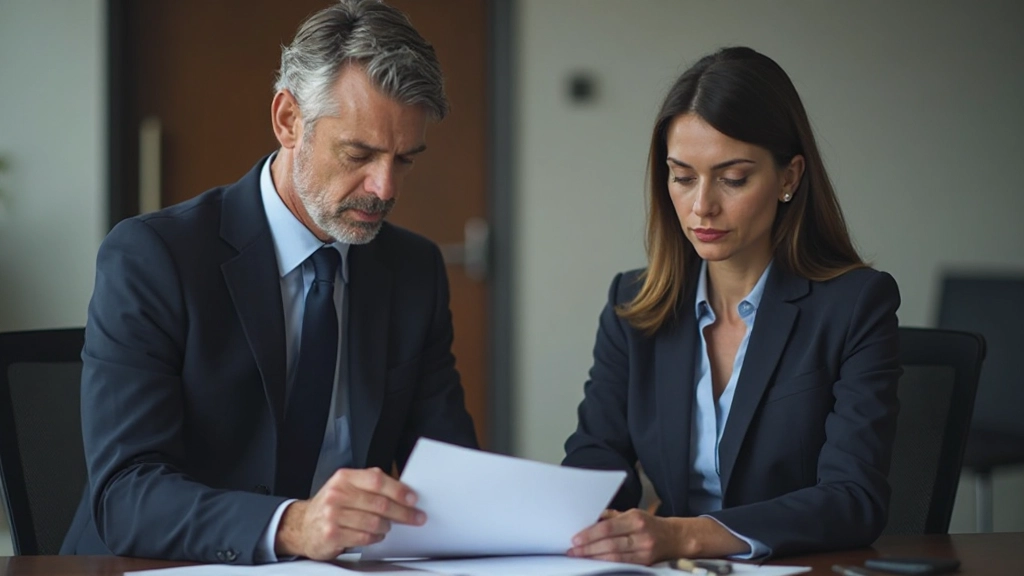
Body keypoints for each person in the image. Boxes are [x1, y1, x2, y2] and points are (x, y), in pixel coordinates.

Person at [60, 0, 477, 564]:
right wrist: (291, 525)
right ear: (288, 120)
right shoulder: (153, 258)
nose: (384, 189)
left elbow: (453, 476)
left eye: (404, 160)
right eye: (359, 153)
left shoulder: (413, 271)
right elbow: (126, 495)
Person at [562, 46, 901, 564]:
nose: (702, 206)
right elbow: (596, 457)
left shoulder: (855, 306)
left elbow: (853, 500)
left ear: (789, 177)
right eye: (682, 176)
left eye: (733, 178)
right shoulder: (633, 304)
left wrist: (684, 535)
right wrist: (590, 518)